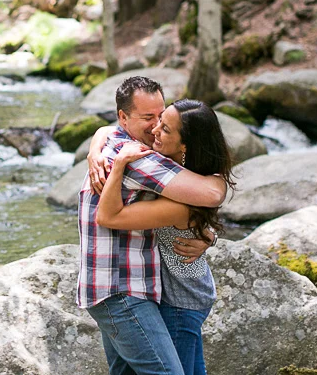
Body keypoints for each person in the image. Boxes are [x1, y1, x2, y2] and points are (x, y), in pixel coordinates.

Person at [77, 77, 227, 375]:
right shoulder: (139, 159)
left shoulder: (120, 142)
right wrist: (221, 183)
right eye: (148, 118)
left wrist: (208, 234)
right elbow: (210, 195)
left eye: (161, 117)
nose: (156, 126)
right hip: (121, 289)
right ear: (123, 117)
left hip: (126, 287)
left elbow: (191, 212)